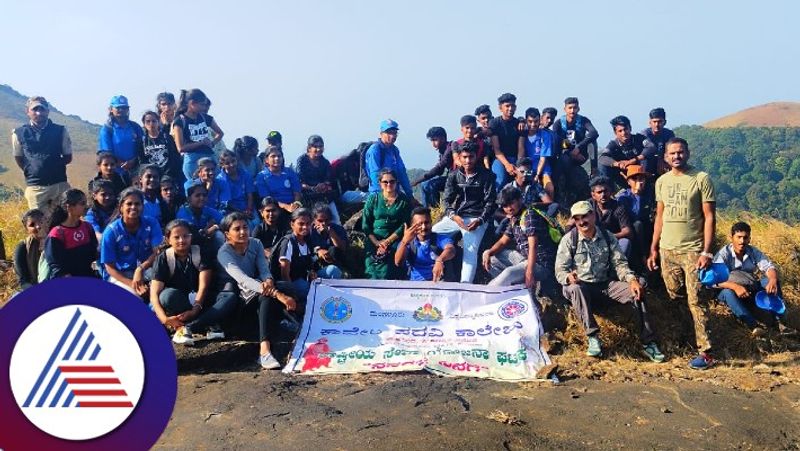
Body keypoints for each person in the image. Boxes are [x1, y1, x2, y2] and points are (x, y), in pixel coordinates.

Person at [556, 201, 664, 362]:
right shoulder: (569, 240)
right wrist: (569, 277)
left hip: (604, 285)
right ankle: (592, 337)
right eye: (577, 218)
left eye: (585, 216)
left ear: (593, 215)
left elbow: (620, 264)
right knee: (575, 288)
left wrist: (632, 280)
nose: (581, 222)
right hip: (581, 286)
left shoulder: (607, 236)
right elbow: (560, 270)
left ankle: (648, 342)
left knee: (637, 291)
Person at [647, 137, 717, 370]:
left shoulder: (700, 178)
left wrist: (706, 251)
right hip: (668, 249)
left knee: (696, 300)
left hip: (693, 250)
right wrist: (654, 248)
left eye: (680, 152)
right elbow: (660, 216)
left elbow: (709, 217)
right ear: (666, 157)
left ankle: (706, 351)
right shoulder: (662, 181)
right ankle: (685, 338)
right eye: (672, 153)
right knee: (674, 296)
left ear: (687, 153)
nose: (677, 156)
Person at [216, 212, 298, 369]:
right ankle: (264, 351)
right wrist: (277, 294)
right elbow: (243, 280)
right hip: (240, 297)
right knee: (269, 295)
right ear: (227, 234)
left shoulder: (256, 243)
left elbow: (264, 268)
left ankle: (285, 321)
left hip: (258, 290)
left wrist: (268, 280)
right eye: (237, 229)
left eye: (245, 227)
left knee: (284, 287)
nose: (242, 232)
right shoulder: (224, 252)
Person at [150, 219, 234, 345]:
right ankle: (208, 322)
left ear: (191, 237)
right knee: (167, 296)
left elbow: (203, 286)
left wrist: (196, 308)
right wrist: (164, 319)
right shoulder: (164, 258)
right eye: (176, 237)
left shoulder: (200, 252)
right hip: (180, 303)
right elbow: (154, 293)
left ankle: (190, 327)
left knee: (229, 297)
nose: (181, 240)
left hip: (201, 300)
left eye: (185, 236)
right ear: (168, 239)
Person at [713, 222, 795, 336]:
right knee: (728, 293)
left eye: (745, 238)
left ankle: (779, 322)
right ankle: (754, 326)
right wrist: (735, 286)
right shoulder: (723, 254)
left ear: (749, 239)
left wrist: (772, 279)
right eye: (739, 237)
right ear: (731, 238)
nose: (742, 241)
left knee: (770, 281)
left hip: (750, 285)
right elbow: (714, 280)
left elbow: (768, 267)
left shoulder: (752, 251)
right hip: (728, 289)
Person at [433, 141, 496, 283]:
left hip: (476, 219)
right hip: (458, 217)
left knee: (470, 254)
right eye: (465, 157)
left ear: (476, 157)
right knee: (431, 232)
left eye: (471, 157)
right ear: (459, 158)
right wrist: (453, 216)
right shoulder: (454, 175)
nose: (468, 161)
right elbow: (446, 201)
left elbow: (490, 203)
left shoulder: (487, 176)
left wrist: (480, 220)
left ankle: (465, 287)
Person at [483, 187, 555, 292]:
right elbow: (503, 241)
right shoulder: (514, 218)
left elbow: (533, 246)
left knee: (509, 273)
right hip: (525, 259)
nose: (509, 208)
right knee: (493, 259)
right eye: (505, 206)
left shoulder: (529, 215)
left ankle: (484, 295)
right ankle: (513, 291)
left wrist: (529, 273)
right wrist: (489, 252)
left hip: (540, 264)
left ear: (520, 199)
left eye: (511, 203)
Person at [12, 96, 72, 215]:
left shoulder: (60, 130)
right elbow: (18, 157)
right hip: (35, 188)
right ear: (28, 112)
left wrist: (52, 167)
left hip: (59, 185)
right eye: (35, 109)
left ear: (48, 111)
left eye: (42, 109)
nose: (39, 113)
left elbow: (68, 157)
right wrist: (31, 170)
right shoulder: (18, 133)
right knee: (39, 226)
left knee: (64, 221)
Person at [100, 187, 163, 296]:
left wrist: (140, 269)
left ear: (142, 207)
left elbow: (157, 252)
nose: (133, 207)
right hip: (121, 275)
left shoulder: (151, 223)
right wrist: (132, 284)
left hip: (147, 269)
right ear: (121, 207)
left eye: (137, 204)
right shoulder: (111, 231)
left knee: (160, 291)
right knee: (133, 297)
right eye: (129, 204)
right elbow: (109, 267)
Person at [362, 168, 413, 280]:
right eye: (385, 181)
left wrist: (387, 242)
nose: (389, 184)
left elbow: (404, 225)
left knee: (388, 270)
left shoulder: (403, 201)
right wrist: (376, 242)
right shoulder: (373, 199)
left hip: (394, 240)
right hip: (374, 239)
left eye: (392, 181)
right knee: (371, 271)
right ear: (380, 183)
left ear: (396, 182)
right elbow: (366, 224)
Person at [43, 189, 98, 279]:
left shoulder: (87, 227)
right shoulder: (56, 234)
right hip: (67, 282)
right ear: (69, 207)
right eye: (82, 203)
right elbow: (56, 266)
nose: (86, 206)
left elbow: (94, 253)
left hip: (89, 277)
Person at [272, 208, 324, 302]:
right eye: (301, 224)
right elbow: (284, 274)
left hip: (304, 277)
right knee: (308, 288)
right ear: (292, 224)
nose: (305, 227)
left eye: (308, 224)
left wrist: (312, 272)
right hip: (291, 282)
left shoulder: (308, 240)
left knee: (333, 270)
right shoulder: (288, 242)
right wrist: (292, 296)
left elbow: (310, 263)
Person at [172, 89, 224, 181]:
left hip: (209, 157)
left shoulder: (205, 118)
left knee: (215, 185)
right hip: (192, 159)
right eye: (202, 104)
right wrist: (201, 143)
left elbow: (220, 133)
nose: (204, 107)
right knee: (196, 187)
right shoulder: (180, 121)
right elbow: (180, 148)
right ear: (192, 103)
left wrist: (212, 143)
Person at [552, 97, 596, 204]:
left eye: (575, 108)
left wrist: (579, 148)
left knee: (592, 141)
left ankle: (594, 170)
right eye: (570, 108)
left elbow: (594, 132)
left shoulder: (583, 120)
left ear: (578, 108)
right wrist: (570, 151)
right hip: (566, 155)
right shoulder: (558, 123)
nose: (572, 110)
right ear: (565, 109)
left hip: (580, 155)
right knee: (563, 154)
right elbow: (556, 140)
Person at [395, 207, 456, 282]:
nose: (423, 227)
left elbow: (451, 249)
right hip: (416, 284)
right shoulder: (408, 242)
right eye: (419, 224)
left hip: (439, 283)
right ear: (412, 225)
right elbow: (398, 262)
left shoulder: (439, 238)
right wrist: (404, 242)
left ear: (431, 222)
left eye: (426, 223)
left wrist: (440, 260)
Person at [599, 115, 657, 189]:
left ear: (630, 128)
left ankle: (649, 186)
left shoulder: (639, 138)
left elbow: (651, 147)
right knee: (603, 165)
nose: (624, 133)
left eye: (625, 129)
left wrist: (632, 160)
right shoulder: (613, 145)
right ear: (615, 133)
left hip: (642, 173)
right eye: (620, 131)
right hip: (625, 175)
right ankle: (609, 191)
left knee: (648, 157)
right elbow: (603, 157)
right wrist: (618, 164)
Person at [616, 165, 655, 271]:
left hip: (648, 229)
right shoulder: (623, 197)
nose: (640, 182)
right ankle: (642, 259)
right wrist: (637, 193)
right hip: (632, 231)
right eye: (635, 179)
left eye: (642, 178)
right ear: (628, 181)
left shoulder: (650, 194)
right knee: (638, 225)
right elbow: (634, 216)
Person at [296, 135, 340, 223]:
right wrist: (313, 188)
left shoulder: (325, 162)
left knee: (336, 220)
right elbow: (300, 182)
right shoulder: (302, 161)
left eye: (320, 146)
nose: (318, 149)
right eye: (315, 147)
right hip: (308, 196)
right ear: (309, 148)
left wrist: (324, 185)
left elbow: (328, 179)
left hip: (324, 196)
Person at [365, 119, 414, 197]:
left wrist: (409, 194)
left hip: (394, 192)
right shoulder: (375, 150)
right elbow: (375, 175)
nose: (393, 136)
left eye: (394, 133)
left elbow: (402, 173)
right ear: (381, 134)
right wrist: (383, 196)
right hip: (378, 194)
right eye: (389, 133)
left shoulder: (394, 150)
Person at [587, 176, 633, 258]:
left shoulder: (619, 207)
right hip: (592, 241)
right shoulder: (588, 205)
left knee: (625, 242)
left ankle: (617, 268)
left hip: (613, 242)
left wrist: (608, 237)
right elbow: (573, 221)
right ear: (593, 195)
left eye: (605, 191)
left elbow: (627, 231)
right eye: (599, 192)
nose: (603, 195)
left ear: (611, 192)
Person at [98, 95, 143, 176]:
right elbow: (106, 154)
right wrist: (122, 164)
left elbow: (143, 147)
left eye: (124, 108)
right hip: (114, 173)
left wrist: (133, 161)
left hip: (136, 172)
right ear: (111, 109)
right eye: (118, 108)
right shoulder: (107, 129)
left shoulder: (135, 127)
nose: (121, 110)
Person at [177, 182, 225, 252]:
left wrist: (215, 227)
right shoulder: (183, 213)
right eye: (197, 195)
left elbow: (226, 221)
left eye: (204, 195)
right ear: (188, 199)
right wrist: (208, 229)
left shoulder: (206, 209)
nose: (202, 198)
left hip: (204, 241)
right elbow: (192, 235)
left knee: (219, 235)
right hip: (189, 246)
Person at [518, 107, 555, 197]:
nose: (533, 124)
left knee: (550, 188)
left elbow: (543, 158)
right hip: (527, 168)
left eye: (536, 121)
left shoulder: (545, 135)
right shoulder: (522, 134)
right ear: (526, 121)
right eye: (530, 121)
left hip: (543, 169)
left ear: (540, 120)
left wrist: (537, 175)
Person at [412, 126, 453, 208]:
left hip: (456, 178)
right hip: (450, 177)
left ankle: (435, 210)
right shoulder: (442, 150)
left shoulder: (450, 148)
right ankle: (426, 209)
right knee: (424, 185)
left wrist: (417, 180)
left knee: (431, 185)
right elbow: (440, 171)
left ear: (443, 138)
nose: (433, 143)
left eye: (435, 140)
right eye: (432, 140)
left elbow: (438, 169)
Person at [255, 146, 303, 216]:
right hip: (273, 209)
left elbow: (297, 192)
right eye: (273, 156)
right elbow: (267, 199)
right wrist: (285, 206)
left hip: (292, 207)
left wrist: (296, 204)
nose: (277, 158)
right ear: (266, 160)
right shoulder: (261, 176)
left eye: (279, 156)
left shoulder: (290, 172)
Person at [489, 93, 522, 189]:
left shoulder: (519, 123)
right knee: (501, 180)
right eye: (507, 106)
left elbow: (521, 147)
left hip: (516, 158)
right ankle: (496, 203)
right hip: (500, 158)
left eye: (512, 106)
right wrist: (507, 165)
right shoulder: (495, 123)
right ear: (500, 108)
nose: (510, 108)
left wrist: (518, 165)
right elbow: (497, 149)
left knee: (522, 179)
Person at [140, 110, 183, 183]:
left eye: (154, 121)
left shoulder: (167, 137)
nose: (151, 124)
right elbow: (142, 161)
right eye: (148, 121)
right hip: (152, 177)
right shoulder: (142, 141)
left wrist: (169, 173)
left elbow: (174, 157)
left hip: (169, 175)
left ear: (158, 122)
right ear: (144, 124)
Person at [309, 203, 348, 279]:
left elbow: (343, 248)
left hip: (336, 262)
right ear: (314, 220)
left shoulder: (338, 229)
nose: (323, 224)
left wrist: (331, 233)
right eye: (320, 221)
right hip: (316, 265)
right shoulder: (309, 231)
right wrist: (318, 250)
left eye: (326, 220)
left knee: (333, 250)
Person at [13, 209, 45, 290]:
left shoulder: (56, 241)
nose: (38, 226)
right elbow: (23, 281)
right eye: (32, 224)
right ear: (26, 229)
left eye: (41, 221)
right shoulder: (22, 248)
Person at [218, 150, 255, 216]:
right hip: (229, 211)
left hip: (247, 209)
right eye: (227, 163)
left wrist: (249, 209)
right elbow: (227, 204)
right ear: (222, 165)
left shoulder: (246, 174)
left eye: (233, 161)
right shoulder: (220, 180)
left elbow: (250, 196)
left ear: (237, 161)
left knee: (256, 223)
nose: (231, 165)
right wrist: (242, 214)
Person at [641, 108, 675, 175]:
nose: (657, 124)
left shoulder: (669, 134)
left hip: (664, 164)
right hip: (647, 165)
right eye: (654, 122)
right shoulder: (644, 134)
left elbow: (670, 149)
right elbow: (651, 149)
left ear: (664, 122)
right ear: (650, 123)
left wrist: (663, 161)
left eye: (659, 122)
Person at [85, 179, 117, 243]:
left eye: (110, 194)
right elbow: (96, 234)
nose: (107, 197)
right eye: (103, 194)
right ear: (94, 196)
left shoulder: (119, 210)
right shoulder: (92, 214)